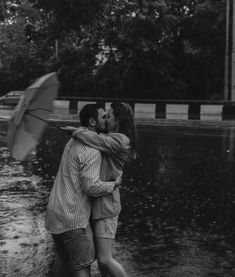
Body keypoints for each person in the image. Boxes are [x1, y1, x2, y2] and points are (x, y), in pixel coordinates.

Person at [45, 104, 122, 277]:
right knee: (82, 267)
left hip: (55, 212)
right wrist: (114, 185)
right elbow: (91, 187)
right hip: (73, 218)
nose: (106, 120)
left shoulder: (72, 140)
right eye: (103, 117)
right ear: (92, 121)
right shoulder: (93, 150)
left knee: (63, 260)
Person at [71, 102, 138, 277]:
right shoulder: (114, 136)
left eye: (109, 116)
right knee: (102, 263)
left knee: (105, 259)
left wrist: (77, 132)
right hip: (98, 204)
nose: (106, 119)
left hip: (107, 207)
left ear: (118, 119)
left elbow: (97, 140)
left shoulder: (121, 140)